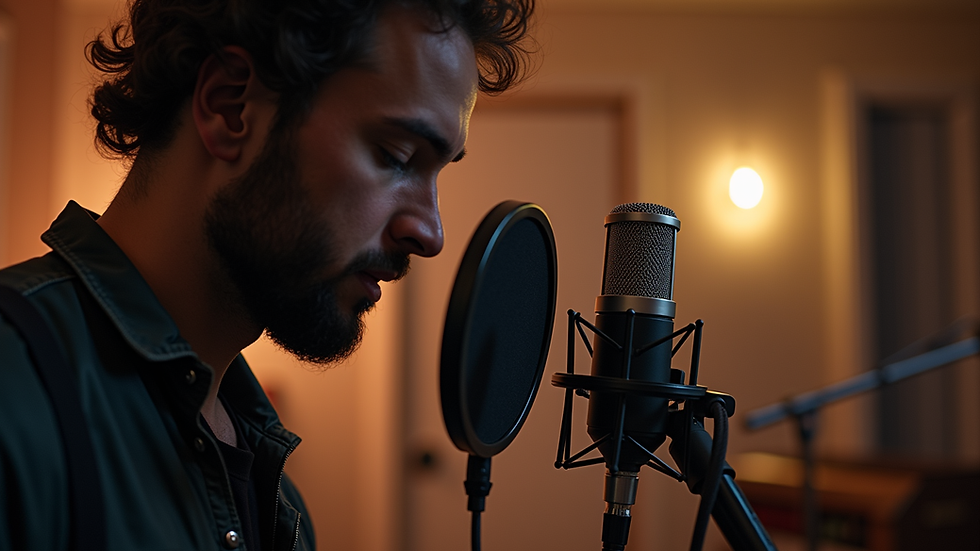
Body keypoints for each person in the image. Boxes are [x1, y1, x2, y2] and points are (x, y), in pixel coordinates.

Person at [0, 0, 535, 549]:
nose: (431, 233)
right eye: (396, 155)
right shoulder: (16, 391)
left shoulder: (279, 502)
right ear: (230, 106)